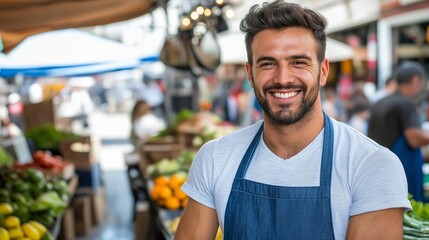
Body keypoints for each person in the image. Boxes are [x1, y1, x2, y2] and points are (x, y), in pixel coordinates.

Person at [175, 1, 411, 239]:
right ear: (250, 73)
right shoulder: (215, 158)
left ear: (323, 71)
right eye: (268, 63)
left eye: (299, 62)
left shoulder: (370, 165)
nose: (283, 78)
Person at [368, 61, 428, 202]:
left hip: (378, 169)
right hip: (400, 169)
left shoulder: (380, 102)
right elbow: (413, 139)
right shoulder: (407, 103)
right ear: (415, 80)